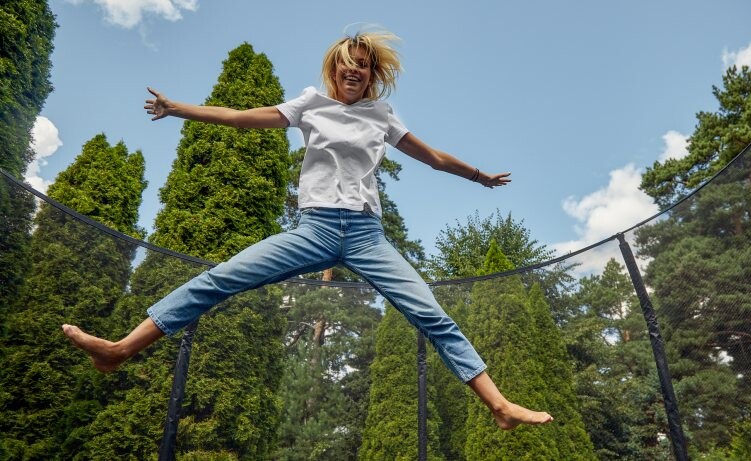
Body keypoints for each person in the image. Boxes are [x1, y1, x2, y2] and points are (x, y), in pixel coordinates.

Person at [62, 30, 553, 430]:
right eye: (347, 62)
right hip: (313, 228)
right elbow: (239, 119)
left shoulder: (381, 115)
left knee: (431, 314)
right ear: (334, 69)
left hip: (366, 234)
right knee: (220, 278)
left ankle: (499, 406)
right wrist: (178, 109)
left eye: (363, 64)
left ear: (372, 74)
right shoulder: (310, 104)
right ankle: (120, 350)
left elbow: (433, 157)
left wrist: (478, 176)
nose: (354, 69)